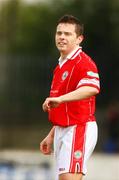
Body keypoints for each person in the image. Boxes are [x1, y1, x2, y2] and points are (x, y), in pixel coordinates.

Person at [40, 14, 100, 180]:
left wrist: (60, 99)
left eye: (67, 34)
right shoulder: (60, 66)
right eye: (59, 33)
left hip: (78, 128)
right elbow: (66, 106)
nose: (61, 37)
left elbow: (92, 87)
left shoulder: (83, 62)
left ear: (79, 38)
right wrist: (52, 134)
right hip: (63, 129)